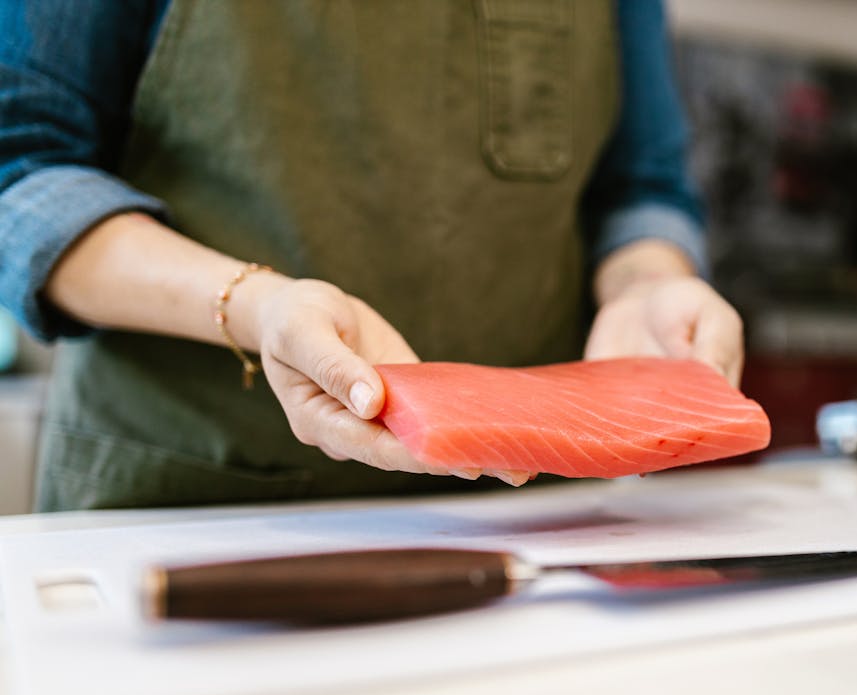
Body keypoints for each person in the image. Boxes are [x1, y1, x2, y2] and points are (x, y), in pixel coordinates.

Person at [0, 0, 743, 511]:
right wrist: (259, 308)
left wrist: (646, 285)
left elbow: (637, 186)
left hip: (526, 518)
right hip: (194, 506)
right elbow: (20, 171)